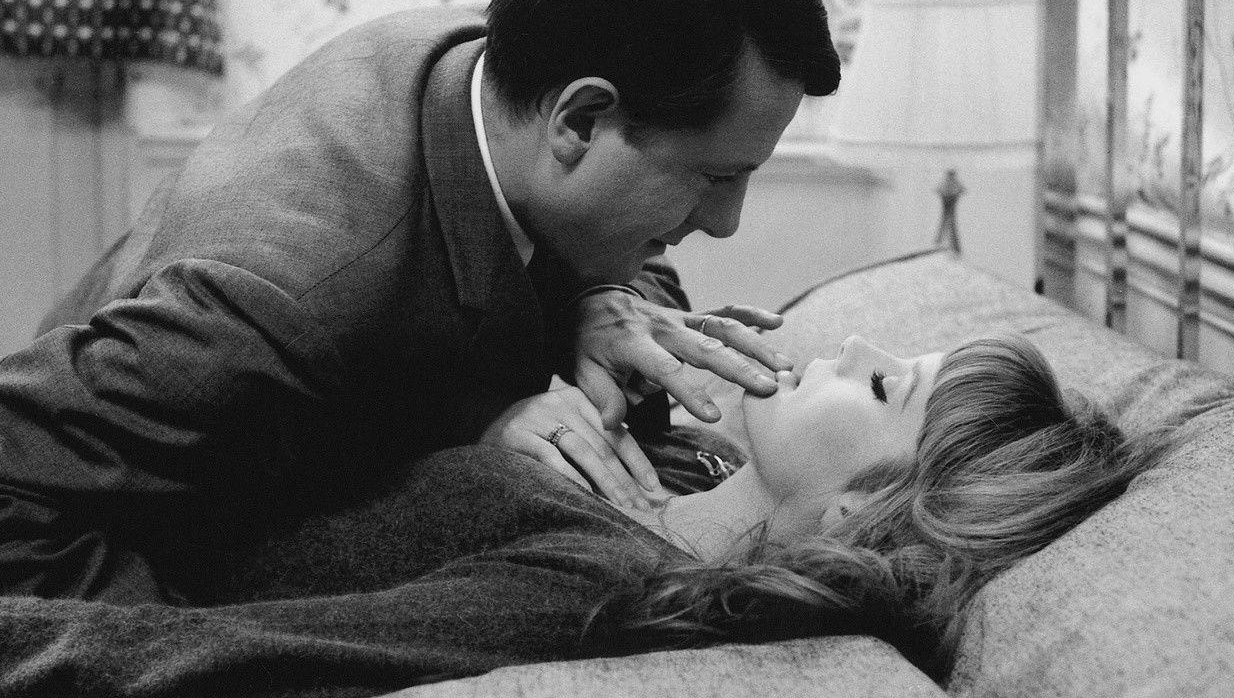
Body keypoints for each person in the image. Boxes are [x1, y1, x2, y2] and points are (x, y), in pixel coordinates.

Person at [0, 0, 840, 605]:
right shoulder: (286, 302)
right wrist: (201, 649)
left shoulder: (498, 64)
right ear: (582, 121)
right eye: (714, 177)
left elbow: (595, 245)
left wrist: (598, 300)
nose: (726, 222)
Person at [0, 331, 1161, 695]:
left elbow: (215, 655)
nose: (850, 346)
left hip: (74, 565)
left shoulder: (599, 587)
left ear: (854, 512)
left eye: (880, 389)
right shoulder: (672, 476)